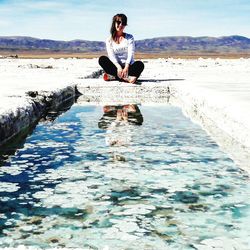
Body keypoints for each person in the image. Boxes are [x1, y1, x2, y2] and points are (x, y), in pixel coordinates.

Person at [99, 13, 144, 84]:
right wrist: (118, 67)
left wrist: (126, 67)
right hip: (115, 67)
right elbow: (111, 56)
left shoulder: (129, 37)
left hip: (129, 67)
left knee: (140, 64)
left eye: (123, 23)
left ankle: (114, 76)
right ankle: (127, 78)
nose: (120, 25)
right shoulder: (109, 40)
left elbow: (131, 53)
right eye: (118, 22)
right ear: (114, 23)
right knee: (102, 59)